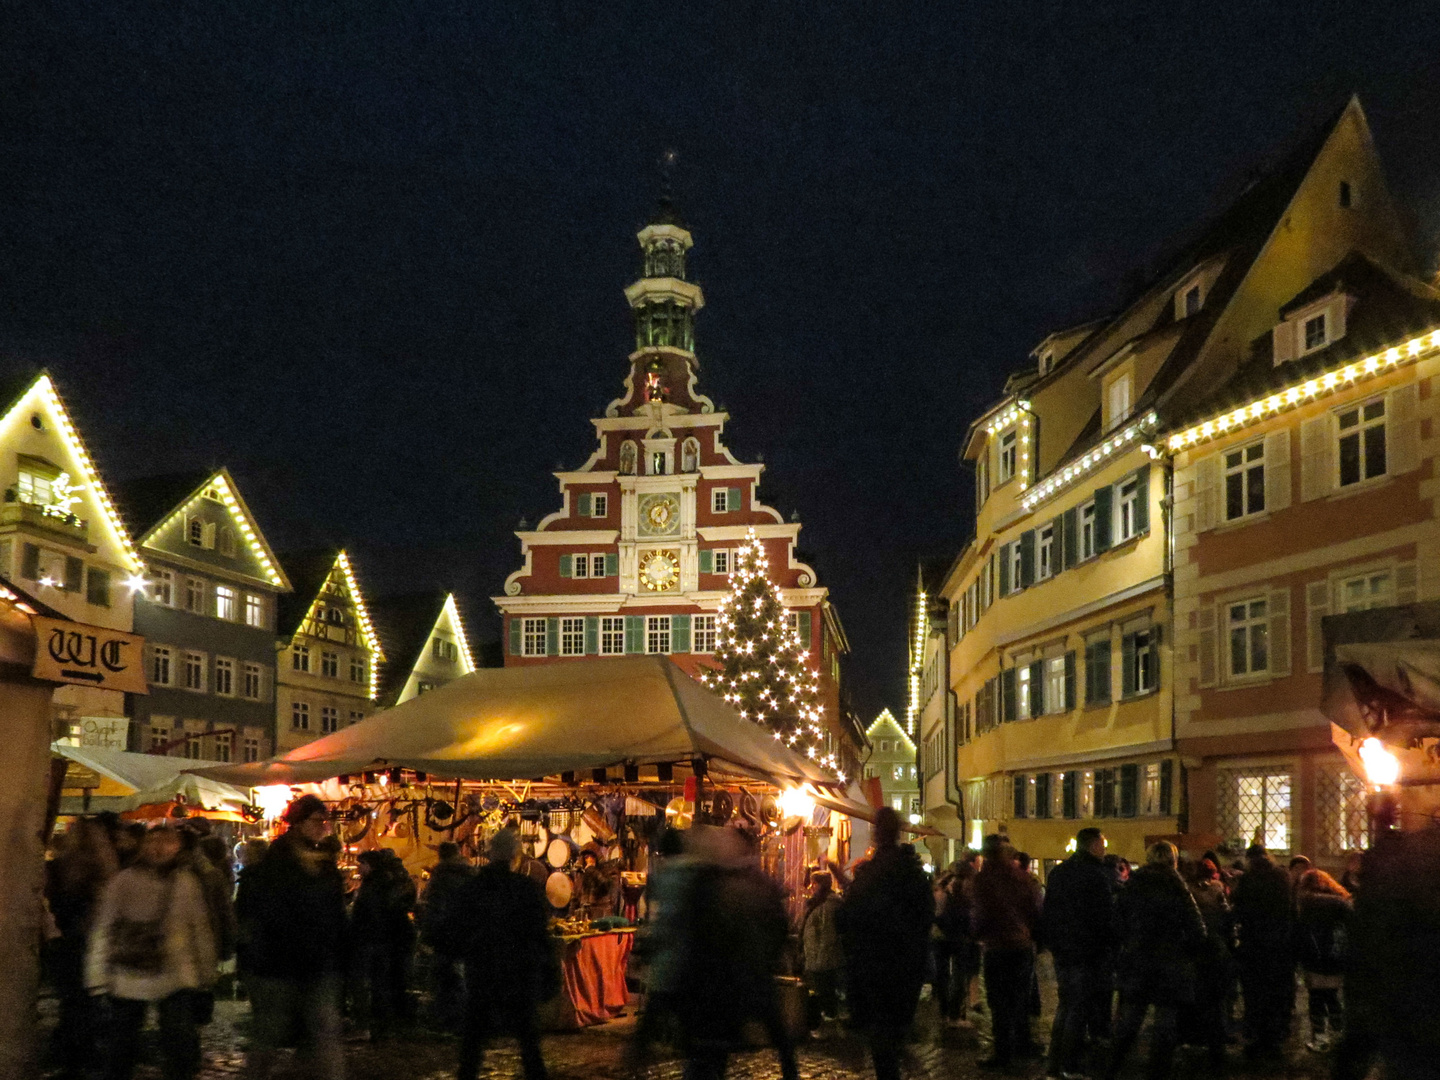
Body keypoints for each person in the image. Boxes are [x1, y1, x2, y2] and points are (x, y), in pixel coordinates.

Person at [86, 823, 217, 1080]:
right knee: (123, 1045)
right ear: (144, 846)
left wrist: (205, 974)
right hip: (130, 972)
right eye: (153, 842)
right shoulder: (124, 881)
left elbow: (199, 929)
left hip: (176, 974)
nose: (159, 849)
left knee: (178, 1044)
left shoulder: (186, 882)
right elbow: (104, 928)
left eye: (167, 842)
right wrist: (97, 978)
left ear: (177, 846)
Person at [236, 794, 347, 1080]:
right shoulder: (272, 865)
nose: (324, 826)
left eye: (326, 820)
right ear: (297, 823)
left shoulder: (325, 867)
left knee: (324, 1031)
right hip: (277, 964)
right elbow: (260, 914)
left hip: (319, 965)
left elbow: (335, 916)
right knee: (269, 1033)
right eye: (317, 820)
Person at [447, 828, 555, 1080]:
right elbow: (539, 934)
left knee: (473, 1043)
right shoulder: (525, 889)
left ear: (490, 853)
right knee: (528, 1043)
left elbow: (456, 929)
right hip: (518, 973)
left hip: (482, 971)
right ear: (514, 856)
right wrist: (547, 971)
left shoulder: (473, 888)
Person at [838, 808, 933, 1080]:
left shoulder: (870, 875)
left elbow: (847, 918)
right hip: (907, 965)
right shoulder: (914, 874)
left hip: (875, 965)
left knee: (881, 1035)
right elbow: (926, 917)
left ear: (876, 833)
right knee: (895, 1030)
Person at [1102, 841, 1206, 1080]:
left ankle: (1113, 1069)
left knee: (1129, 1020)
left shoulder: (1132, 886)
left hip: (1137, 961)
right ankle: (1158, 1072)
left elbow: (1116, 924)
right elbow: (1198, 930)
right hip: (1170, 964)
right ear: (1173, 860)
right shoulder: (1178, 887)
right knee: (1165, 1024)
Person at [1042, 827, 1117, 1080]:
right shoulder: (1097, 875)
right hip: (1088, 950)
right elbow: (1105, 917)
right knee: (1079, 1008)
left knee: (1066, 1006)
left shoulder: (1059, 872)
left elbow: (1049, 912)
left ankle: (1055, 1064)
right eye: (1102, 843)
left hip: (1064, 949)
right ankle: (1070, 1065)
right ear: (1093, 844)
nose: (1104, 848)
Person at [45, 818, 118, 1080]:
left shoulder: (57, 869)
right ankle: (87, 1054)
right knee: (88, 1001)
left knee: (72, 1002)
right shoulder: (105, 871)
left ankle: (73, 1057)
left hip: (67, 944)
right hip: (91, 942)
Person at [969, 833, 1042, 1071]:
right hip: (1022, 945)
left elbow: (980, 916)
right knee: (1019, 999)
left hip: (998, 947)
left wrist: (978, 934)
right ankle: (1022, 1043)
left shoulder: (984, 880)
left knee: (999, 1003)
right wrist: (1033, 936)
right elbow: (1036, 911)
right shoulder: (1023, 878)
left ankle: (1003, 1053)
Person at [1231, 843, 1294, 1062]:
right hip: (1280, 946)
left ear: (1250, 859)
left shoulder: (1249, 879)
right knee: (1277, 993)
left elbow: (1240, 910)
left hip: (1255, 945)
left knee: (1256, 994)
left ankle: (1258, 1038)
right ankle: (1275, 1038)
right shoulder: (1282, 876)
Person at [350, 848, 418, 1039]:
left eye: (361, 864)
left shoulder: (375, 884)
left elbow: (370, 912)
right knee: (382, 982)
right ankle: (384, 1024)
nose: (359, 868)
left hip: (371, 938)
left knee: (365, 982)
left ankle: (368, 1024)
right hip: (383, 939)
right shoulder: (389, 881)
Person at [1181, 851, 1234, 1067]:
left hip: (1194, 949)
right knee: (1216, 998)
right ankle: (1216, 1040)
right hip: (1216, 947)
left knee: (1194, 995)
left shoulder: (1186, 891)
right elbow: (1226, 915)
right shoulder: (1217, 889)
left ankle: (1192, 1036)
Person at [419, 841, 474, 1029]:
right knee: (461, 975)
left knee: (446, 976)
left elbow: (435, 907)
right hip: (467, 932)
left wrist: (428, 932)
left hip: (446, 933)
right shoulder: (471, 873)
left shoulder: (441, 876)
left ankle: (450, 1019)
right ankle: (462, 1017)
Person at [1294, 869, 1351, 1052]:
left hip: (1313, 956)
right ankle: (1341, 1030)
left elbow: (1300, 931)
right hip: (1337, 955)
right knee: (1333, 994)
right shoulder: (1341, 902)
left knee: (1317, 997)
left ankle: (1320, 1037)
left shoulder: (1305, 903)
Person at [933, 857, 979, 1026]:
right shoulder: (965, 885)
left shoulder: (941, 887)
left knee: (942, 975)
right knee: (959, 975)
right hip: (959, 936)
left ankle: (944, 1012)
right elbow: (970, 912)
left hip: (940, 937)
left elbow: (936, 913)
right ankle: (954, 1014)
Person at [798, 870, 844, 1026]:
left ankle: (829, 1022)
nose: (811, 887)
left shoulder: (828, 905)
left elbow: (827, 934)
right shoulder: (818, 902)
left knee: (825, 991)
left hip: (822, 958)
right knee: (821, 990)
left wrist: (820, 959)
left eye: (814, 883)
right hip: (816, 955)